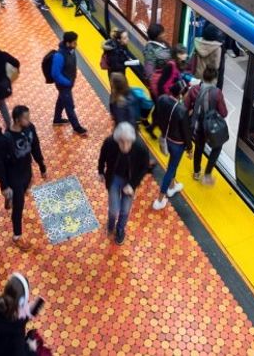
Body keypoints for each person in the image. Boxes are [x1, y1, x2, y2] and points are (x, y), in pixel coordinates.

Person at [0, 106, 46, 247]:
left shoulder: (30, 128)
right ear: (17, 120)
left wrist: (42, 166)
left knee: (22, 194)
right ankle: (17, 236)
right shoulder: (5, 140)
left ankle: (10, 197)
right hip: (13, 176)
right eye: (25, 118)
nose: (29, 120)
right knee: (19, 206)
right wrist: (4, 186)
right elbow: (0, 165)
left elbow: (36, 147)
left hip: (26, 172)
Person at [97, 122, 151, 245]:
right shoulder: (110, 142)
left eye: (128, 142)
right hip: (114, 178)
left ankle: (120, 229)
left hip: (130, 180)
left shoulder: (140, 147)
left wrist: (132, 185)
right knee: (113, 210)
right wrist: (100, 172)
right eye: (122, 142)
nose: (125, 146)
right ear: (117, 139)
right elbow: (102, 157)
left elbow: (144, 167)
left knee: (125, 210)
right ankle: (110, 225)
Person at [152, 81, 191, 210]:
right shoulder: (182, 110)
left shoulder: (162, 99)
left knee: (172, 164)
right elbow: (186, 132)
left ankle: (172, 186)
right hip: (177, 144)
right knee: (171, 167)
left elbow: (156, 115)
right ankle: (160, 200)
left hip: (166, 138)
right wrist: (190, 148)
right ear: (180, 94)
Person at [187, 65, 228, 185]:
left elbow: (186, 106)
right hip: (210, 128)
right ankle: (207, 174)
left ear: (203, 77)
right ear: (215, 79)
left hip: (198, 126)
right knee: (217, 147)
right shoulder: (217, 93)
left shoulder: (194, 89)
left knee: (199, 147)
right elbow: (224, 113)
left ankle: (196, 172)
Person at [0, 273, 41, 356]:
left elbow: (12, 321)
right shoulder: (16, 336)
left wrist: (28, 312)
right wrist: (32, 349)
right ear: (21, 302)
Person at [50, 31, 88, 136]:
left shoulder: (71, 50)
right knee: (69, 105)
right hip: (64, 85)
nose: (76, 45)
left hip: (68, 83)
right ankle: (77, 127)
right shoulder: (59, 56)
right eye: (74, 43)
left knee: (61, 100)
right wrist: (67, 82)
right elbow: (55, 74)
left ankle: (57, 119)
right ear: (67, 43)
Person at [142, 24, 172, 88]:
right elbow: (149, 72)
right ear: (157, 36)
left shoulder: (164, 44)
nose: (165, 34)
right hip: (161, 83)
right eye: (162, 33)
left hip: (169, 78)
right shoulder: (150, 50)